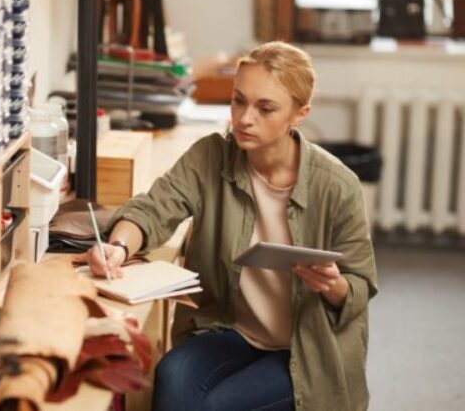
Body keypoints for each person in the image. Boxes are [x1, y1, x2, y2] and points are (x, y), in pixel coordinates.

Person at [77, 41, 378, 411]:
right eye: (238, 101)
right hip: (231, 329)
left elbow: (360, 286)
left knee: (215, 406)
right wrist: (118, 247)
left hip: (304, 347)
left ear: (299, 114)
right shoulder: (210, 155)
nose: (245, 118)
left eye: (265, 108)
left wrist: (334, 286)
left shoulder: (338, 185)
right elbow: (152, 209)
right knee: (172, 377)